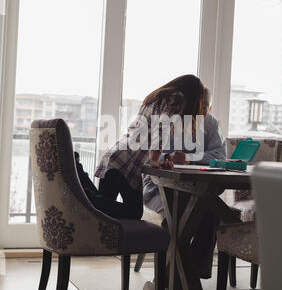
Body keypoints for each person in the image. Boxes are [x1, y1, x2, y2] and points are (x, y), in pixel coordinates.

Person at [77, 75, 205, 220]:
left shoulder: (157, 96)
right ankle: (85, 195)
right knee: (133, 213)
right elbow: (161, 128)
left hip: (118, 154)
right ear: (193, 95)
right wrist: (155, 158)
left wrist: (158, 159)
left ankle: (82, 186)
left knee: (102, 214)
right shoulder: (176, 98)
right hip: (127, 163)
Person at [142, 88, 226, 279]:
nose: (199, 113)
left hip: (196, 190)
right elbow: (148, 155)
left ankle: (191, 275)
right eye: (196, 108)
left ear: (210, 109)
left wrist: (190, 158)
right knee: (178, 212)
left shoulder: (212, 124)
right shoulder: (171, 119)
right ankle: (165, 276)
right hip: (159, 188)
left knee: (210, 210)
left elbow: (220, 155)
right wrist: (167, 156)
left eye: (204, 109)